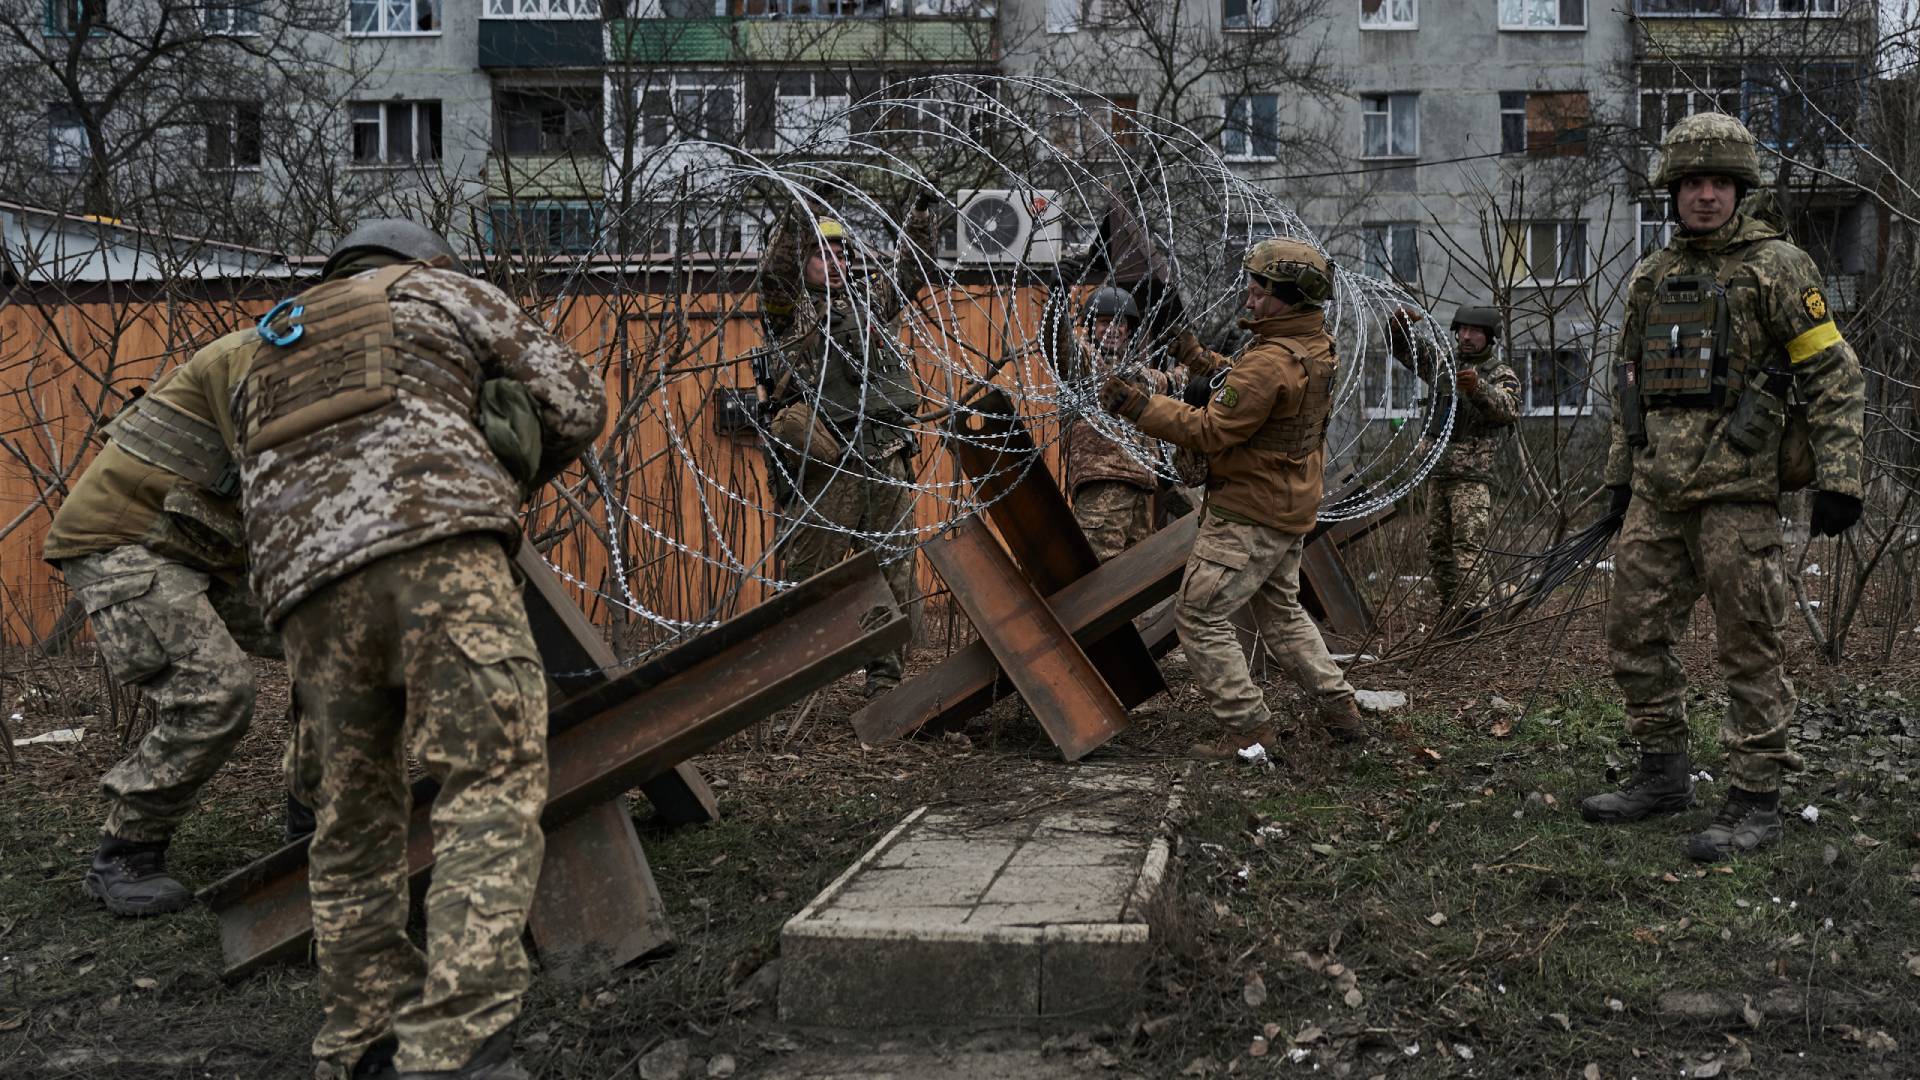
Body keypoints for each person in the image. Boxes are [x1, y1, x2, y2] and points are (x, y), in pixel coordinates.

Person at [235, 219, 607, 1080]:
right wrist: (506, 459)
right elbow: (576, 401)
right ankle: (459, 1042)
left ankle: (362, 1041)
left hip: (306, 590)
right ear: (423, 259)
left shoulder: (271, 342)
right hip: (438, 548)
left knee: (351, 815)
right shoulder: (438, 289)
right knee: (490, 774)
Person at [1580, 113, 1864, 861]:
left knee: (1749, 649)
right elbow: (1629, 388)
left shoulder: (1779, 267)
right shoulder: (1652, 274)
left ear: (1741, 190)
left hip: (1738, 496)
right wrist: (1618, 483)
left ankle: (1755, 801)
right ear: (1673, 191)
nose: (1705, 196)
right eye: (1692, 183)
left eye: (1719, 183)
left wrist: (1840, 477)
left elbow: (1833, 375)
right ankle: (1663, 775)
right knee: (1632, 637)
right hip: (1657, 493)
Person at [45, 328, 297, 917]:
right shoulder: (260, 354)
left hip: (201, 541)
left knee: (339, 642)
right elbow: (282, 475)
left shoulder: (344, 358)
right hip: (125, 539)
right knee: (216, 692)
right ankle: (126, 853)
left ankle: (314, 816)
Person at [1099, 238, 1365, 757]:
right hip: (1286, 506)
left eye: (1261, 291)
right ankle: (1342, 710)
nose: (1250, 297)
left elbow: (1211, 428)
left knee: (1199, 615)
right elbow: (1248, 389)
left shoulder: (1269, 362)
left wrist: (1139, 406)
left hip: (1248, 512)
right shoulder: (1312, 345)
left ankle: (1248, 729)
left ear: (1288, 297)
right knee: (1282, 615)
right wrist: (1197, 358)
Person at [758, 206, 933, 696]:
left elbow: (910, 269)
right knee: (809, 579)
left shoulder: (867, 303)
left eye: (840, 250)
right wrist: (801, 208)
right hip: (828, 463)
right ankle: (789, 685)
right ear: (801, 257)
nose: (833, 259)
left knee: (893, 572)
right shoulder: (789, 311)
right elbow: (776, 273)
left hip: (883, 452)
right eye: (820, 251)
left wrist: (920, 214)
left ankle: (885, 683)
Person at [1390, 305, 1521, 625]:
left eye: (1474, 332)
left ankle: (1473, 616)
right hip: (1438, 471)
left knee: (1467, 548)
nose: (1466, 336)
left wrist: (1476, 387)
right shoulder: (1444, 365)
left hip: (1471, 477)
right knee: (1438, 549)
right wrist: (1398, 326)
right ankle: (1452, 610)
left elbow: (1507, 409)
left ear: (1489, 337)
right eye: (1462, 330)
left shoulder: (1500, 373)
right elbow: (1406, 352)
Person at [1063, 286, 1188, 561]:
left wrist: (1199, 358)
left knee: (1134, 575)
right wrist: (1058, 299)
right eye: (1105, 322)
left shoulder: (1139, 373)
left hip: (1142, 488)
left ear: (1129, 329)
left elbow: (1176, 381)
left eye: (1120, 322)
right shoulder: (1084, 364)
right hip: (1104, 482)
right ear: (1091, 326)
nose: (1113, 329)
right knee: (1099, 568)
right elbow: (1061, 347)